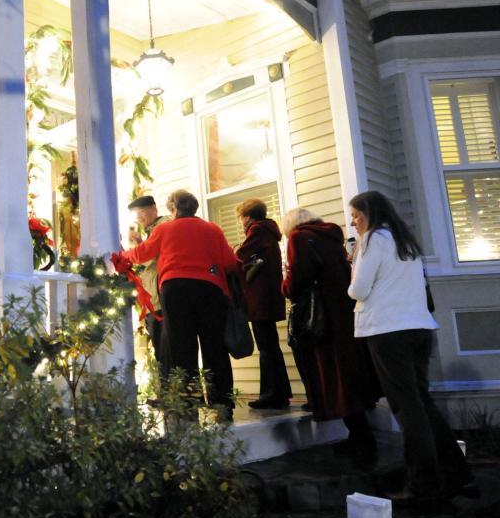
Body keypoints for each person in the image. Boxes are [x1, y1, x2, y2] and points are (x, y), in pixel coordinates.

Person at [348, 191, 475, 506]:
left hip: (388, 331)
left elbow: (358, 290)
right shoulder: (405, 242)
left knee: (407, 409)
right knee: (421, 404)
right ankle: (457, 474)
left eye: (356, 216)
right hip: (418, 327)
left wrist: (353, 264)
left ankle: (423, 483)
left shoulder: (372, 240)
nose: (353, 223)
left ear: (369, 215)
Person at [119, 190, 238, 414]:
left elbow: (142, 254)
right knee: (214, 345)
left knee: (182, 345)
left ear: (173, 209)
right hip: (210, 290)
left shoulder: (165, 228)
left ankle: (187, 400)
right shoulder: (213, 229)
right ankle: (221, 400)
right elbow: (230, 262)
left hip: (176, 290)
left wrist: (122, 256)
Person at [281, 207, 379, 467]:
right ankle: (360, 438)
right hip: (344, 313)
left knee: (334, 376)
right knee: (347, 374)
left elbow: (297, 280)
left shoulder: (299, 239)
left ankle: (363, 443)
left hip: (322, 318)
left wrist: (285, 285)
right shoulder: (331, 236)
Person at [235, 199, 291, 410]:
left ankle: (271, 395)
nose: (240, 222)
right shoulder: (268, 232)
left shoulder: (257, 230)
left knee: (267, 347)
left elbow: (240, 257)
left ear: (248, 216)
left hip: (260, 299)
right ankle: (281, 392)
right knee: (271, 346)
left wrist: (234, 251)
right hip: (269, 297)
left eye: (241, 217)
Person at [127, 195, 171, 383]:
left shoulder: (162, 228)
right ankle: (168, 392)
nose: (140, 219)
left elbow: (146, 259)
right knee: (161, 347)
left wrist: (135, 246)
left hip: (160, 298)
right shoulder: (152, 231)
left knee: (165, 348)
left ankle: (172, 393)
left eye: (142, 213)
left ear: (154, 209)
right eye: (138, 215)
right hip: (154, 299)